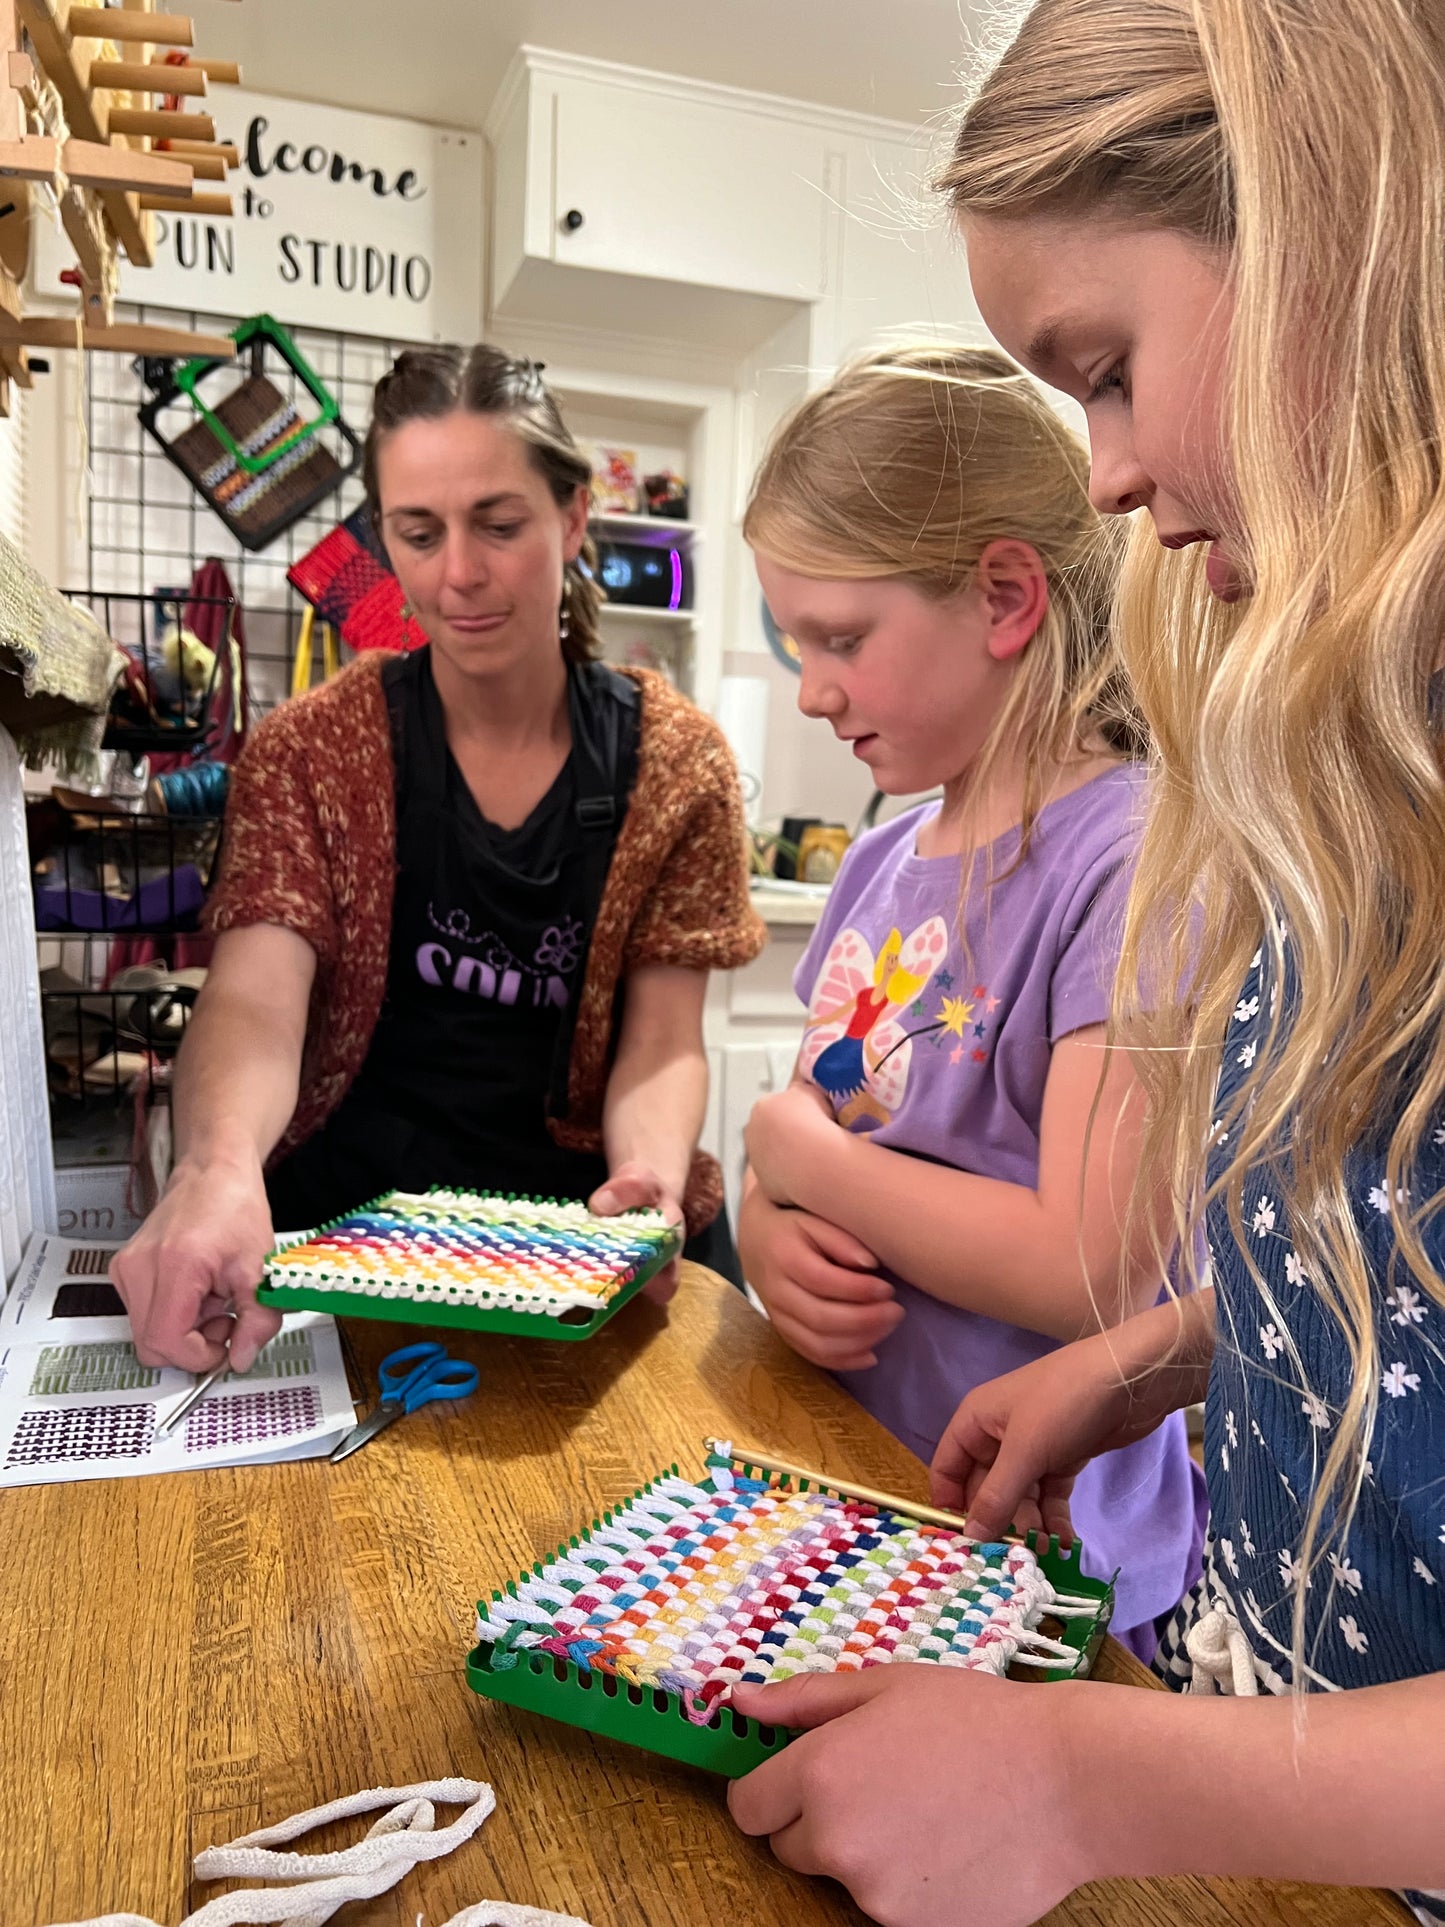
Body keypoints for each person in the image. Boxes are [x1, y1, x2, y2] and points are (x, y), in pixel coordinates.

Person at [726, 5, 1445, 1924]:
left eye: (1111, 372)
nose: (1106, 474)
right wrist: (1152, 1358)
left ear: (1335, 235)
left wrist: (1090, 1768)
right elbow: (1397, 1252)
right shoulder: (1361, 780)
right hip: (1262, 1791)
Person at [113, 345, 763, 1374]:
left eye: (499, 526)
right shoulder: (311, 752)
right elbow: (254, 1003)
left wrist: (647, 1171)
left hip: (578, 1250)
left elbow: (663, 1040)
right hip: (348, 1237)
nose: (459, 571)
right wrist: (218, 1161)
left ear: (573, 519)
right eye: (419, 533)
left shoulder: (675, 765)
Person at [736, 344, 1205, 1662]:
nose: (812, 686)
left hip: (1042, 1566)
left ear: (1004, 595)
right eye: (795, 642)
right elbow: (832, 1118)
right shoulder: (885, 864)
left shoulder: (1133, 856)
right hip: (861, 1507)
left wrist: (797, 1157)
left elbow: (1093, 1268)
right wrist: (765, 1226)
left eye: (841, 637)